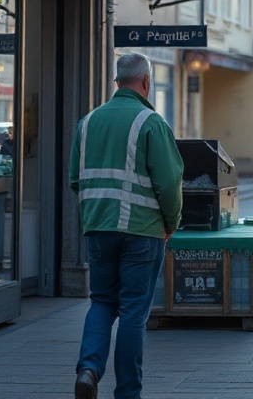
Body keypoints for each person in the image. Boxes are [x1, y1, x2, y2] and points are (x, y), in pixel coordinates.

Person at [69, 52, 183, 399]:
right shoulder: (151, 123)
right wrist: (171, 223)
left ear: (116, 81)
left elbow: (75, 180)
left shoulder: (87, 123)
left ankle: (89, 370)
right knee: (134, 311)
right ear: (146, 81)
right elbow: (169, 183)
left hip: (98, 228)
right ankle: (128, 393)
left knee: (102, 302)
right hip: (142, 231)